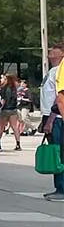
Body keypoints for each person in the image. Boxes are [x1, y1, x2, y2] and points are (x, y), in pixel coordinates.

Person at [40, 42, 64, 200]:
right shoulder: (53, 71)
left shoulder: (59, 71)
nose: (49, 54)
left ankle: (61, 188)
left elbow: (59, 98)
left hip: (56, 117)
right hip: (50, 116)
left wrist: (51, 119)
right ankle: (59, 187)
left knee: (59, 154)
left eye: (53, 51)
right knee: (57, 153)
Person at [0, 73, 23, 149]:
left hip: (5, 109)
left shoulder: (4, 88)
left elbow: (4, 100)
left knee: (1, 127)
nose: (1, 80)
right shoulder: (13, 88)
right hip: (13, 109)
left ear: (6, 79)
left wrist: (0, 108)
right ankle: (18, 143)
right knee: (15, 127)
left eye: (3, 78)